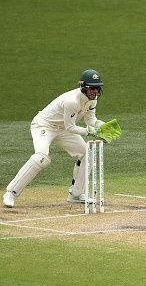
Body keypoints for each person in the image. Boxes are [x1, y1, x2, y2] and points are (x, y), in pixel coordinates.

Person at [3, 69, 108, 208]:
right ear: (83, 87)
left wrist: (103, 126)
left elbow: (91, 120)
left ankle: (76, 194)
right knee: (41, 158)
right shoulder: (72, 101)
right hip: (44, 125)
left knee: (87, 154)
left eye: (98, 88)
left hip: (63, 128)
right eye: (92, 88)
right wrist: (90, 131)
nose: (95, 91)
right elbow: (71, 128)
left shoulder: (92, 100)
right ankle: (11, 192)